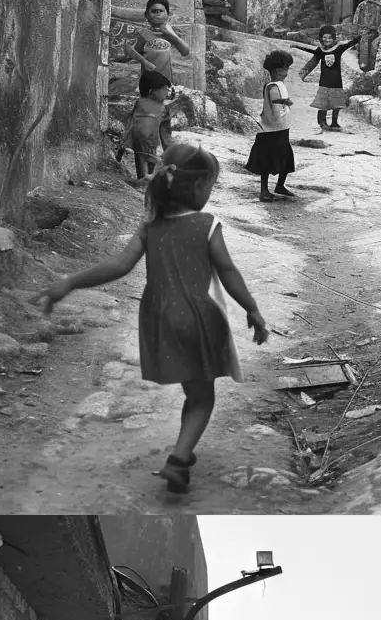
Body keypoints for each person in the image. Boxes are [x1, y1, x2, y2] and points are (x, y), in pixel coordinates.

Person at [40, 142, 271, 495]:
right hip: (196, 316)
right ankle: (178, 459)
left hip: (159, 319)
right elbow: (227, 270)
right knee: (202, 398)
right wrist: (252, 309)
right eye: (209, 185)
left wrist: (69, 282)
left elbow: (118, 266)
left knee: (192, 392)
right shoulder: (207, 225)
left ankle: (183, 450)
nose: (209, 193)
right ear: (196, 188)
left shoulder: (150, 228)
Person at [247, 50, 297, 200]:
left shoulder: (277, 85)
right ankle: (264, 191)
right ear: (276, 70)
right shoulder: (274, 87)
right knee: (267, 161)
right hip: (272, 130)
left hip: (279, 128)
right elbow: (276, 110)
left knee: (285, 157)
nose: (286, 72)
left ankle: (279, 186)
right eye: (284, 69)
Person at [296, 26, 359, 132]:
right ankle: (322, 122)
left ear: (333, 38)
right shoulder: (320, 50)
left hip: (336, 80)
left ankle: (335, 123)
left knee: (337, 102)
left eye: (329, 38)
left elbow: (350, 43)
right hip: (324, 81)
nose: (327, 40)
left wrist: (361, 37)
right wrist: (296, 46)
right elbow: (311, 56)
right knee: (323, 102)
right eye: (324, 37)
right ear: (321, 38)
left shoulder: (339, 49)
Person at [125, 66, 175, 187]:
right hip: (141, 145)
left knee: (146, 172)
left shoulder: (162, 109)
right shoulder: (140, 103)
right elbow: (130, 123)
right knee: (144, 173)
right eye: (164, 89)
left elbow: (165, 134)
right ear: (152, 90)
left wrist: (172, 153)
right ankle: (141, 185)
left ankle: (142, 184)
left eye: (167, 89)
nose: (166, 92)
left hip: (150, 146)